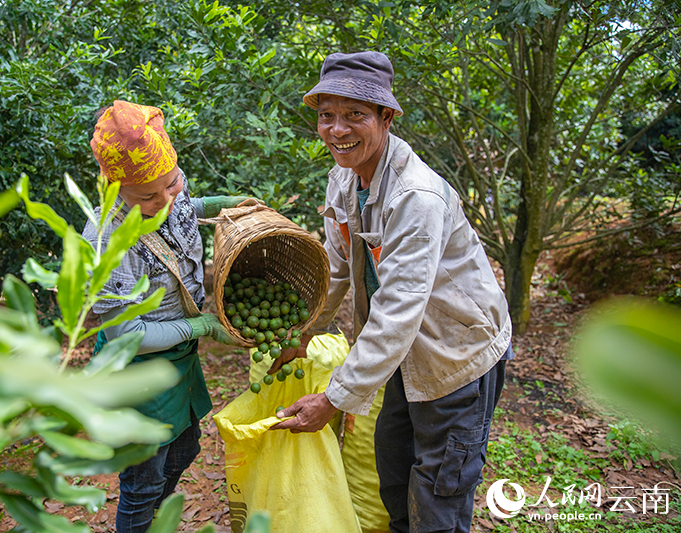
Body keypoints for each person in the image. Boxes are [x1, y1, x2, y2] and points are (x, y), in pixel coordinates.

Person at [270, 52, 515, 533]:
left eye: (354, 115)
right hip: (404, 357)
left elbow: (398, 312)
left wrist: (333, 399)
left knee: (438, 495)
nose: (337, 130)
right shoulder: (344, 178)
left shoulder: (414, 197)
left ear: (386, 118)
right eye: (326, 116)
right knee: (395, 477)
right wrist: (305, 331)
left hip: (453, 354)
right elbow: (336, 266)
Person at [82, 100, 250, 533]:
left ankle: (156, 517)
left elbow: (181, 208)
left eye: (171, 185)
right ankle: (143, 518)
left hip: (178, 356)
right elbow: (129, 334)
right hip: (138, 367)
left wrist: (222, 204)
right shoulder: (106, 242)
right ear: (114, 188)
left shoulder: (167, 185)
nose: (163, 201)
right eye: (146, 198)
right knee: (143, 476)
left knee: (185, 447)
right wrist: (203, 326)